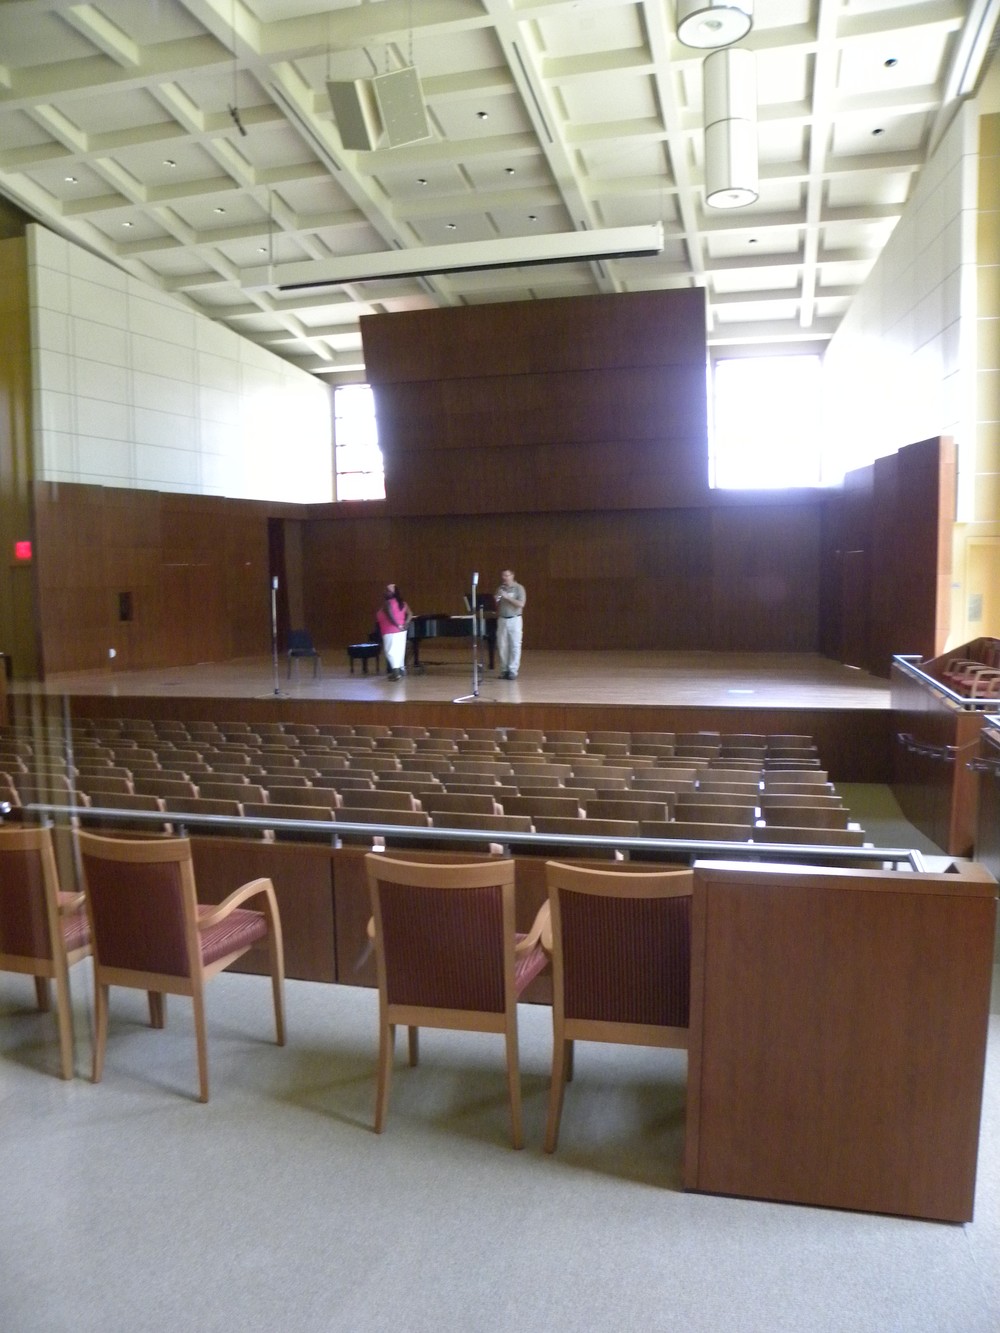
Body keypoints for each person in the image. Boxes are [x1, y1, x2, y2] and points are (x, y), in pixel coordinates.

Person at [494, 569, 526, 679]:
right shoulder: (500, 588)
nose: (505, 577)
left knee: (515, 645)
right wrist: (496, 599)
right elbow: (495, 605)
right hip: (502, 619)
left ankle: (513, 670)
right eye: (503, 575)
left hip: (515, 619)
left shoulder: (519, 588)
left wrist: (507, 597)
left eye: (507, 575)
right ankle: (504, 670)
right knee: (502, 645)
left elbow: (521, 604)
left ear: (512, 576)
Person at [375, 583, 412, 681]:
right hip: (401, 631)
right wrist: (405, 624)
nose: (385, 592)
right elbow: (410, 614)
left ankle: (396, 673)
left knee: (390, 652)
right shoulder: (403, 603)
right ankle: (401, 670)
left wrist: (397, 625)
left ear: (393, 593)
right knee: (399, 651)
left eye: (388, 591)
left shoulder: (387, 603)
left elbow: (390, 616)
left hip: (390, 630)